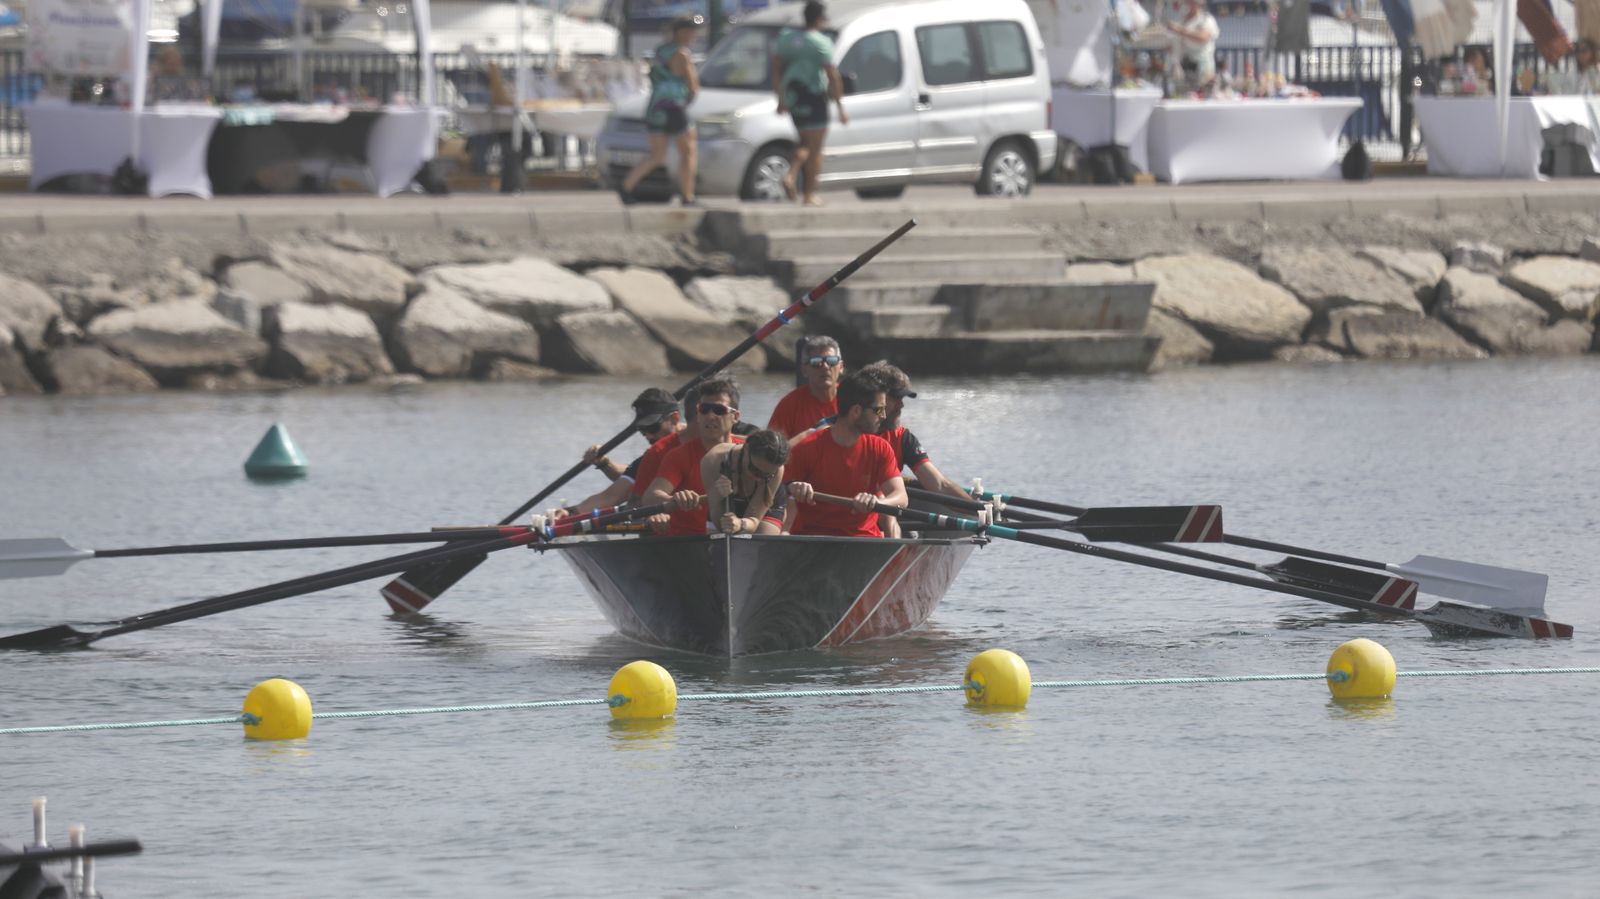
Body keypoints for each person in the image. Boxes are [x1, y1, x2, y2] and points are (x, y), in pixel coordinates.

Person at [784, 370, 907, 537]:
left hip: (863, 541)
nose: (884, 416)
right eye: (879, 410)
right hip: (812, 539)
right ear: (856, 411)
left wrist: (877, 502)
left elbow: (901, 497)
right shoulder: (807, 448)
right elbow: (777, 495)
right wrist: (792, 489)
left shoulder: (880, 448)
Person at [642, 377, 746, 536]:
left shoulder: (748, 451)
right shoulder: (679, 456)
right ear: (698, 414)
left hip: (738, 536)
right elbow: (650, 497)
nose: (710, 416)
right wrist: (674, 500)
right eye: (704, 409)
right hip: (690, 543)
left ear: (736, 416)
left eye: (719, 410)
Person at [562, 387, 686, 516]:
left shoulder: (700, 439)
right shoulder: (655, 454)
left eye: (652, 428)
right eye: (642, 430)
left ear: (675, 418)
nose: (648, 436)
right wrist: (567, 513)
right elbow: (611, 497)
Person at [772, 1, 848, 206]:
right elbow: (832, 75)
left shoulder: (787, 39)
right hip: (814, 97)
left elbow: (777, 68)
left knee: (804, 142)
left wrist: (781, 98)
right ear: (818, 19)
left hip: (794, 95)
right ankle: (808, 193)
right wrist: (840, 106)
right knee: (815, 148)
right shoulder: (820, 42)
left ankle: (791, 175)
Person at [620, 17, 701, 206]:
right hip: (674, 106)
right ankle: (688, 195)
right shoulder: (682, 54)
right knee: (688, 151)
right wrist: (688, 99)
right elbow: (693, 85)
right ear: (681, 32)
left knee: (657, 155)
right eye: (690, 31)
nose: (693, 35)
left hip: (656, 105)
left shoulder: (660, 51)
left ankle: (627, 186)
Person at [703, 428, 790, 535]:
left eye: (765, 475)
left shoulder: (777, 469)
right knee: (719, 541)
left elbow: (754, 519)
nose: (758, 478)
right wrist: (717, 496)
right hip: (724, 500)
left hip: (764, 503)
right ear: (746, 448)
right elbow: (719, 523)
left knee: (763, 541)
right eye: (754, 469)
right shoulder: (714, 460)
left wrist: (741, 524)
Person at [768, 335, 843, 439]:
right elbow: (772, 450)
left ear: (841, 367)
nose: (825, 367)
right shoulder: (789, 405)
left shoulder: (853, 402)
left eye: (831, 361)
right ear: (804, 370)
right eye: (816, 362)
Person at [1165, 0, 1219, 90]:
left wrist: (1180, 30)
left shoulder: (1206, 20)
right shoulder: (1183, 20)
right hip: (1184, 66)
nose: (1188, 5)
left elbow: (1203, 37)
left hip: (1201, 66)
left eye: (1191, 3)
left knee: (1201, 93)